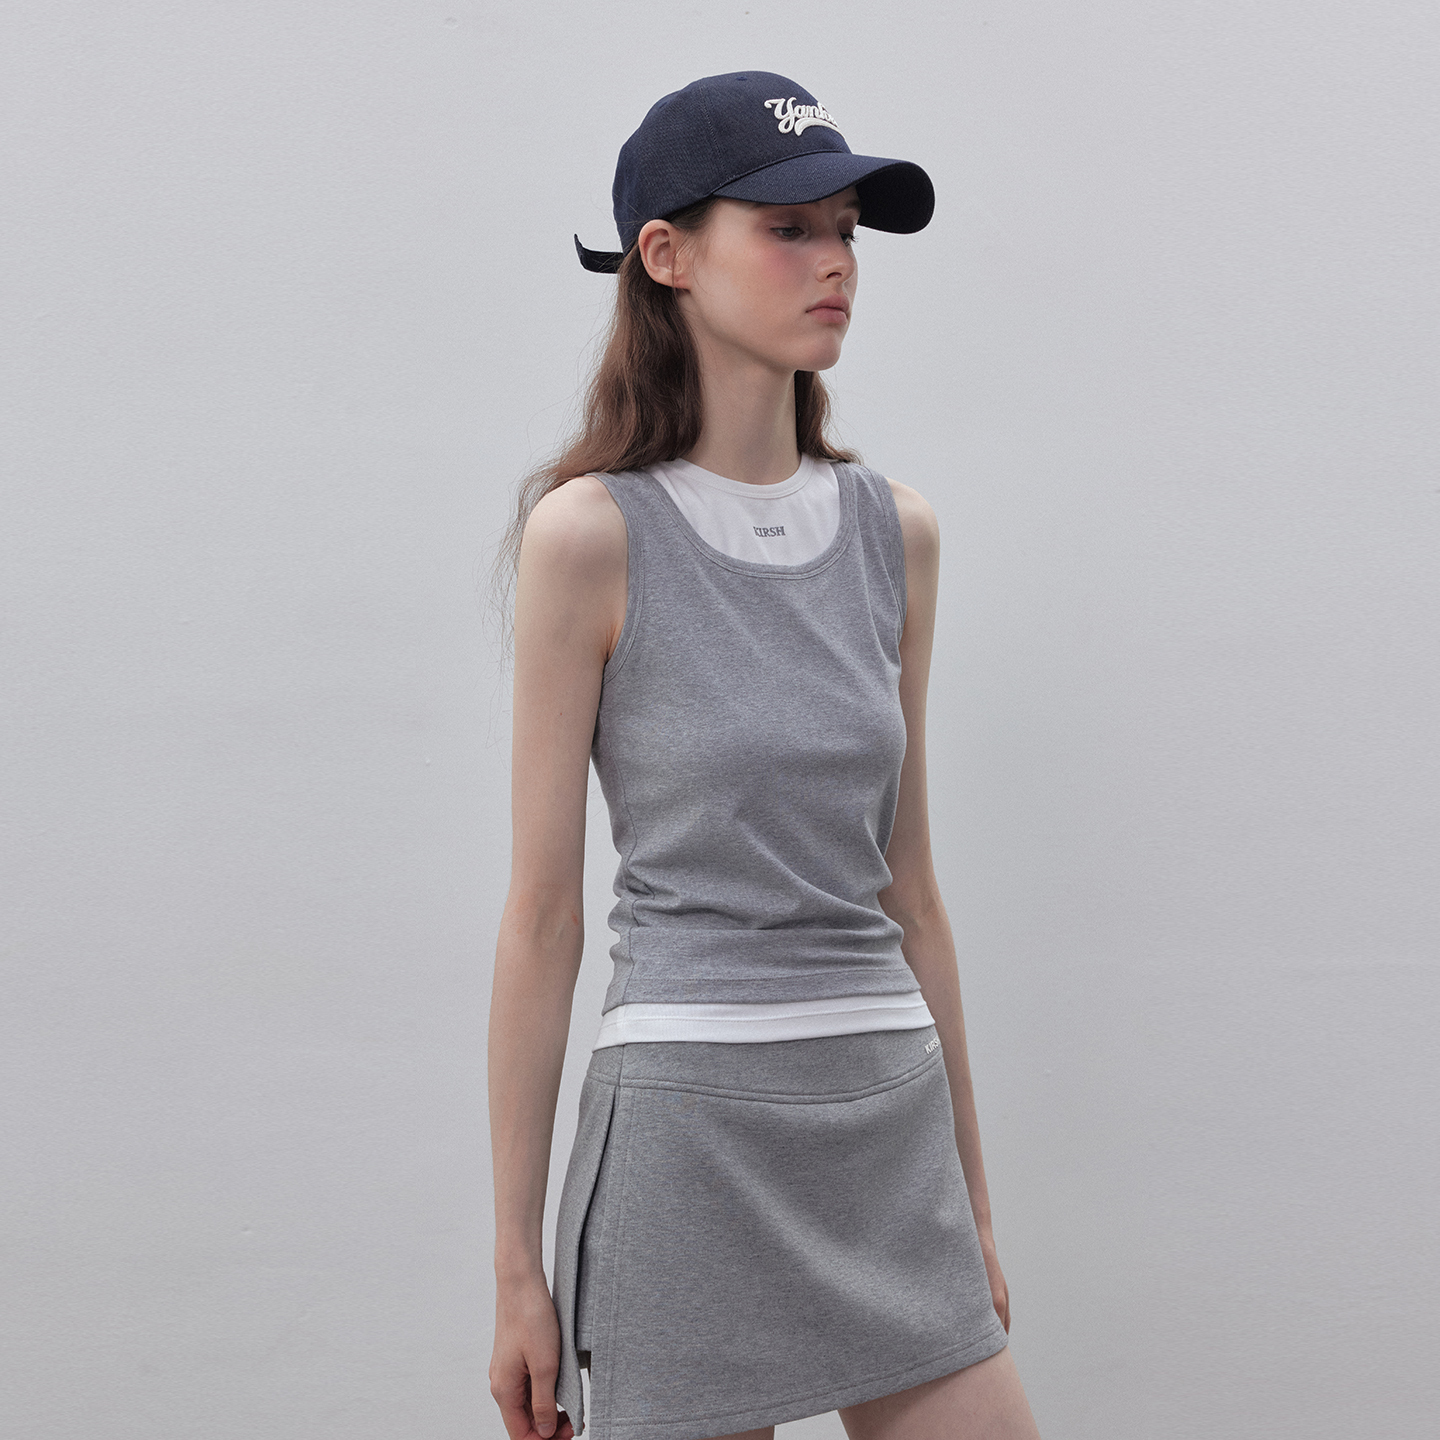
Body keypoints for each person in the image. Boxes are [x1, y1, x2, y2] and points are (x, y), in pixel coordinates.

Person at [487, 71, 1043, 1440]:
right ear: (666, 256)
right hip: (688, 1133)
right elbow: (545, 916)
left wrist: (972, 1204)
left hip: (885, 1117)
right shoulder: (590, 537)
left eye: (845, 227)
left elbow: (911, 892)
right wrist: (515, 1274)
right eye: (789, 227)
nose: (836, 260)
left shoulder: (896, 532)